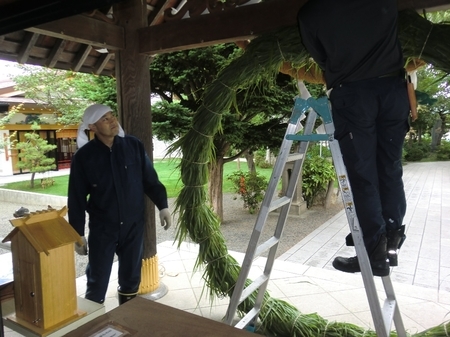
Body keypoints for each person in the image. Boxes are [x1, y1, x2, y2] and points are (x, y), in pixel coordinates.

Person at [298, 0, 410, 276]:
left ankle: (375, 253)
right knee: (390, 168)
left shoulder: (312, 13)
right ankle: (391, 238)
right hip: (393, 90)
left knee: (363, 176)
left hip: (353, 93)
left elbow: (321, 58)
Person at [68, 104, 171, 304]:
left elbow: (150, 179)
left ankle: (127, 316)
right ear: (93, 127)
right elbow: (77, 197)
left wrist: (163, 205)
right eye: (105, 119)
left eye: (112, 116)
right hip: (103, 228)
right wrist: (77, 233)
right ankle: (95, 322)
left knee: (131, 277)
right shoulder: (84, 157)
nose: (112, 121)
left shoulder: (133, 146)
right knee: (97, 277)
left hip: (133, 225)